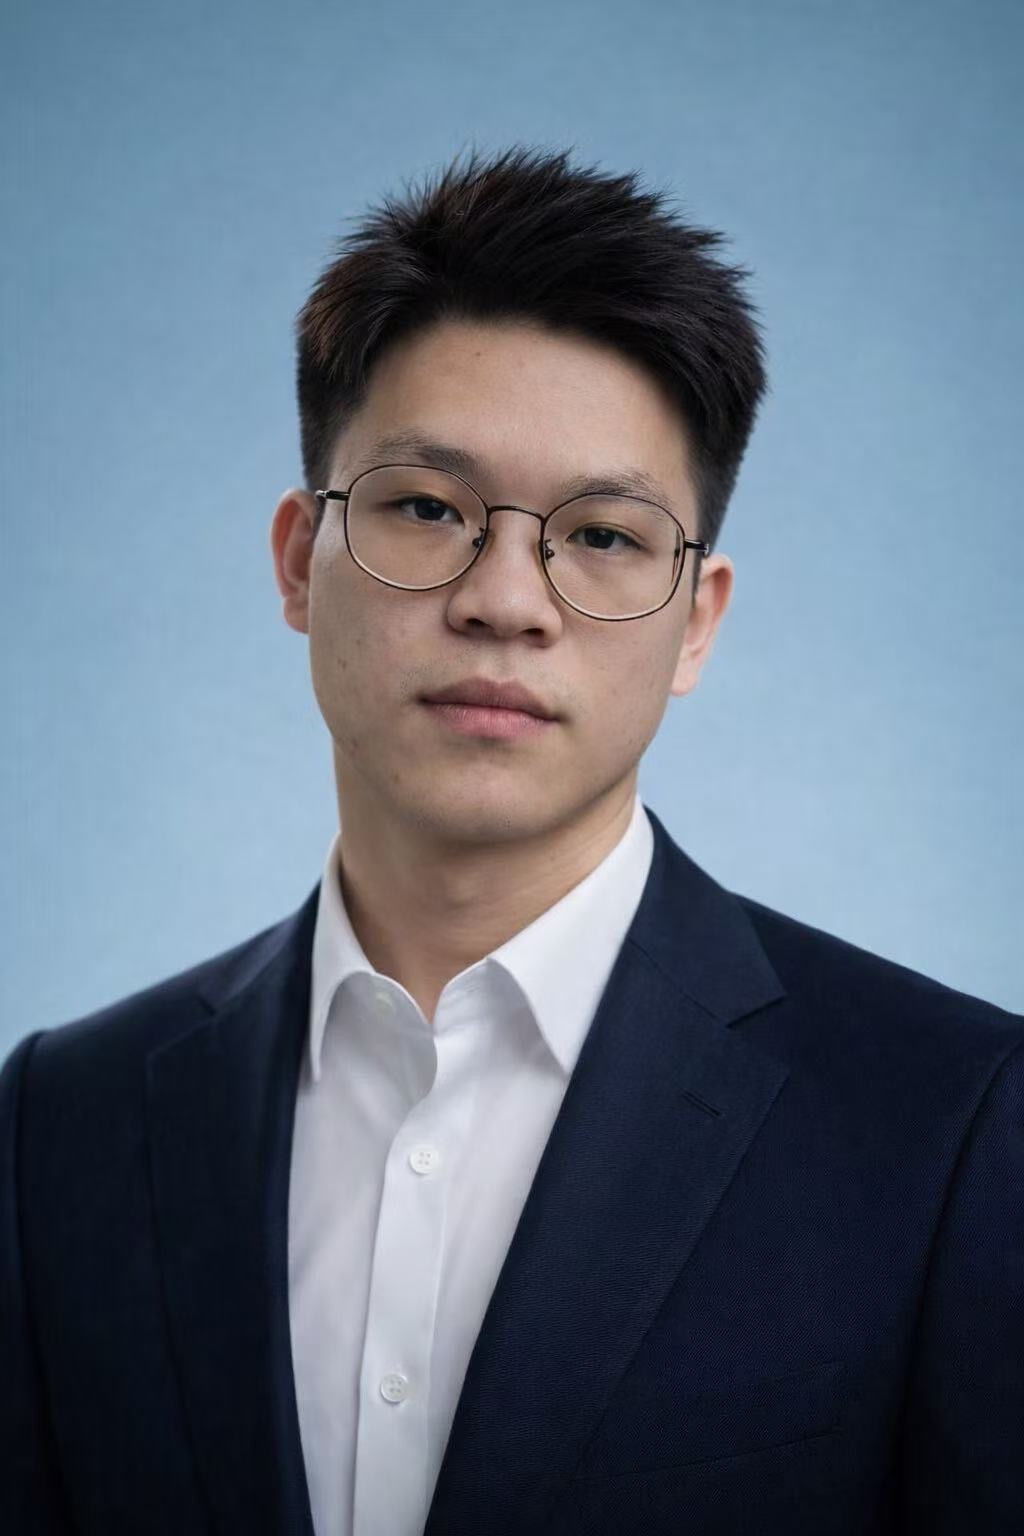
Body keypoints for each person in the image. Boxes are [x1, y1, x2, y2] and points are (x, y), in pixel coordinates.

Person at [2, 144, 1021, 1536]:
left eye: (602, 536)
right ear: (300, 560)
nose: (505, 599)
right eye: (427, 509)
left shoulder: (949, 1123)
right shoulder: (64, 1121)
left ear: (697, 623)